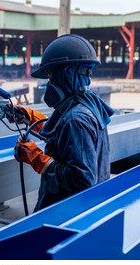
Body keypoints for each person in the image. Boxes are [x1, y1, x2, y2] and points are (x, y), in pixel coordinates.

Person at [10, 34, 115, 211]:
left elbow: (81, 180)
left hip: (66, 213)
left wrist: (38, 159)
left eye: (50, 75)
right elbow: (67, 138)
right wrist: (31, 118)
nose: (49, 83)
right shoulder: (86, 102)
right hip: (86, 208)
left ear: (65, 72)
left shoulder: (76, 119)